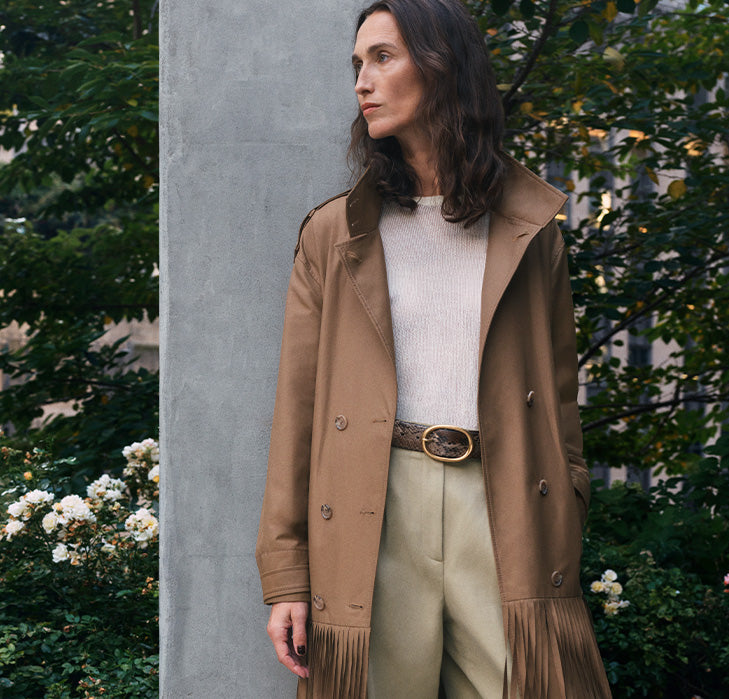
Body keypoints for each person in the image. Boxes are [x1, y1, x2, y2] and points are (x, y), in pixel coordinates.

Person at [255, 0, 611, 696]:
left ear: (443, 66)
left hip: (504, 503)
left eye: (383, 58)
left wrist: (565, 505)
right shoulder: (335, 234)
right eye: (357, 64)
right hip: (374, 505)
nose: (362, 81)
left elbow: (559, 398)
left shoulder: (530, 228)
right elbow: (297, 413)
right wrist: (287, 575)